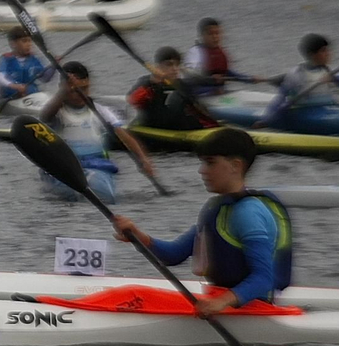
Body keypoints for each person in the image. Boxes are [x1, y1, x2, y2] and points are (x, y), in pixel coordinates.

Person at [110, 128, 292, 316]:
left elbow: (263, 278)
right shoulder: (219, 209)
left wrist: (221, 302)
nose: (202, 170)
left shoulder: (248, 213)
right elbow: (173, 254)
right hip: (227, 302)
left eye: (210, 163)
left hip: (254, 308)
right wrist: (136, 236)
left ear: (235, 166)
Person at [36, 61, 157, 203]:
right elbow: (45, 116)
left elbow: (124, 136)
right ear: (62, 89)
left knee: (103, 195)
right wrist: (63, 92)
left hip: (96, 166)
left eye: (85, 89)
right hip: (64, 167)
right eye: (75, 90)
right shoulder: (56, 112)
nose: (81, 95)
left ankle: (97, 192)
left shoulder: (100, 110)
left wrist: (143, 159)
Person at [257, 33, 339, 128]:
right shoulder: (296, 75)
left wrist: (335, 79)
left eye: (328, 50)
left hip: (328, 109)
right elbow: (280, 100)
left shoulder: (330, 72)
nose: (328, 54)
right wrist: (267, 120)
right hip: (304, 113)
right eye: (324, 51)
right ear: (312, 55)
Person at [127, 47, 214, 131]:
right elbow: (132, 100)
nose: (174, 69)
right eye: (169, 64)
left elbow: (197, 108)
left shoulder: (181, 85)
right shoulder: (147, 82)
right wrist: (152, 82)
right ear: (158, 67)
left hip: (180, 127)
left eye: (177, 64)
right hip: (155, 127)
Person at [183, 18, 271, 95]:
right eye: (210, 34)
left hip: (218, 94)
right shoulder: (195, 53)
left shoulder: (218, 52)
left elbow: (228, 73)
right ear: (202, 36)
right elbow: (190, 86)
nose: (215, 37)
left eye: (217, 33)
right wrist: (211, 88)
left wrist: (250, 79)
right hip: (200, 96)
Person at [0, 28, 52, 101]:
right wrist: (14, 86)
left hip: (31, 96)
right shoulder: (6, 59)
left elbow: (45, 78)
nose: (29, 44)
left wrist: (54, 66)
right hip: (10, 97)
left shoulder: (34, 60)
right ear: (13, 44)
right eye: (24, 41)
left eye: (29, 41)